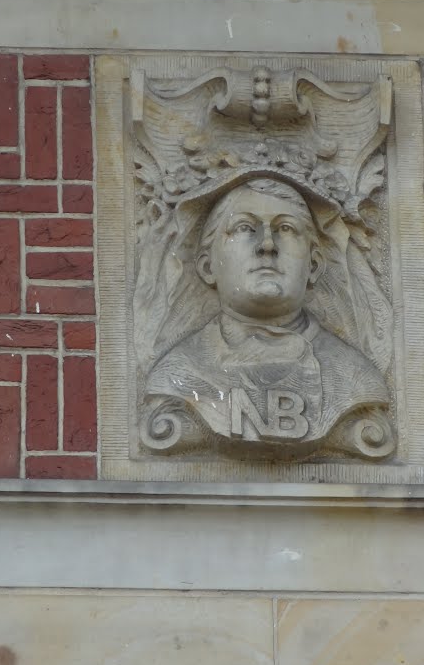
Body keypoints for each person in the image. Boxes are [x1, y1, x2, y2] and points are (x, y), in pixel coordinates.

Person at [144, 176, 391, 455]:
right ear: (206, 266)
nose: (267, 245)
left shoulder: (354, 376)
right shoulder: (179, 371)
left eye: (285, 228)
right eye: (245, 227)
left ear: (314, 265)